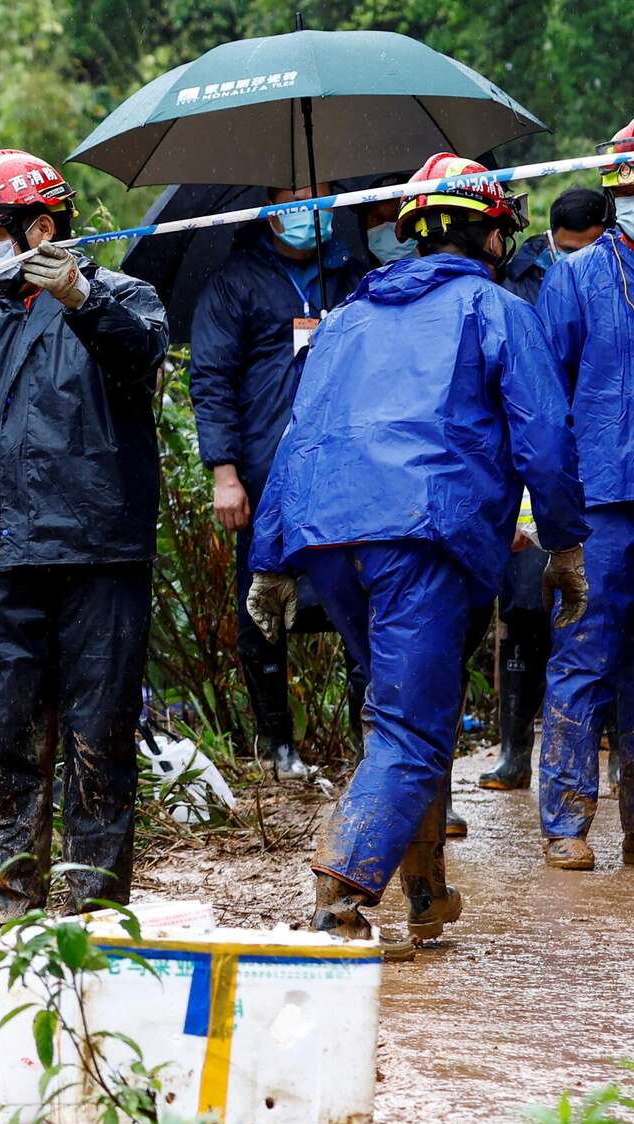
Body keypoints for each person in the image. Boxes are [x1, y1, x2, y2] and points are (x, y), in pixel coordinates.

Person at [248, 152, 589, 952]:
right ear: (492, 234)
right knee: (410, 723)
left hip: (332, 540)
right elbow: (545, 434)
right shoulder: (494, 308)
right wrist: (567, 545)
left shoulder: (347, 319)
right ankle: (339, 893)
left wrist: (270, 559)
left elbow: (294, 440)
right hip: (422, 535)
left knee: (405, 707)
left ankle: (428, 892)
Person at [0, 149, 169, 922]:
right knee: (8, 737)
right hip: (0, 558)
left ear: (41, 228)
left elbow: (142, 358)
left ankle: (93, 912)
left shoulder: (123, 296)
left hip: (99, 553)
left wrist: (81, 296)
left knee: (99, 734)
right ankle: (9, 907)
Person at [189, 183, 367, 777]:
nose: (307, 207)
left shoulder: (352, 272)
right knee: (262, 607)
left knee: (361, 604)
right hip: (267, 477)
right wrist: (225, 472)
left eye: (319, 195)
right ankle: (279, 750)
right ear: (268, 207)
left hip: (349, 473)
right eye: (294, 195)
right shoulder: (234, 284)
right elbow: (211, 381)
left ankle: (369, 742)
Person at [483, 187, 613, 793]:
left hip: (589, 465)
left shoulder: (616, 276)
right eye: (564, 250)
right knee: (526, 605)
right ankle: (515, 748)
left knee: (587, 613)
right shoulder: (519, 285)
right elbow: (524, 400)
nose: (572, 259)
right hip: (538, 457)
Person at [530, 124, 634, 869]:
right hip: (600, 495)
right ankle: (566, 818)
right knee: (586, 651)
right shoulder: (574, 276)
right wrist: (541, 503)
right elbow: (543, 395)